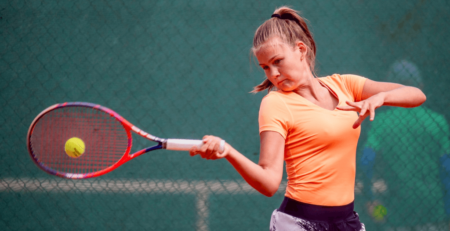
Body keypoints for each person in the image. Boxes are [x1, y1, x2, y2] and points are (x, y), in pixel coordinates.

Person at [190, 6, 426, 231]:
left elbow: (416, 95)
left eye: (277, 61)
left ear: (300, 49)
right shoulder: (275, 104)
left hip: (347, 220)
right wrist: (228, 151)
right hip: (298, 222)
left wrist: (381, 98)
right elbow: (269, 183)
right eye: (265, 67)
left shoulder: (345, 85)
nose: (273, 74)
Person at [359, 60, 450, 230]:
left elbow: (366, 161)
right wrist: (447, 209)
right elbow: (446, 167)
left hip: (396, 209)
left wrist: (371, 199)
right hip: (434, 210)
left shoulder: (382, 123)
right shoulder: (437, 121)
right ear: (420, 86)